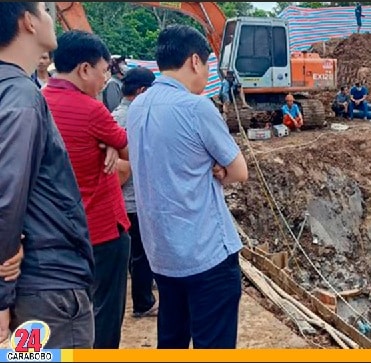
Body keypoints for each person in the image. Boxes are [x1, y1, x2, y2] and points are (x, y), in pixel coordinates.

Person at [127, 24, 249, 349]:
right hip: (205, 253)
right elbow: (239, 170)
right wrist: (218, 168)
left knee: (172, 340)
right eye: (208, 64)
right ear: (195, 61)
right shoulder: (196, 107)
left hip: (163, 254)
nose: (207, 73)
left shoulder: (137, 107)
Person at [0, 2, 94, 348]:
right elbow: (6, 197)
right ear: (27, 23)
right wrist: (2, 297)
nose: (50, 15)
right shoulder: (22, 98)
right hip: (45, 288)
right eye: (43, 9)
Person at [43, 30, 131, 349]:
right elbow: (128, 149)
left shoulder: (39, 99)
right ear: (84, 69)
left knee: (71, 316)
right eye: (104, 70)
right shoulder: (92, 110)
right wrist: (111, 143)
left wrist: (108, 143)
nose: (106, 78)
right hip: (103, 231)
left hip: (58, 235)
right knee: (105, 314)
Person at [111, 67, 159, 319]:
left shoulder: (113, 115)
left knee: (133, 251)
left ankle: (144, 287)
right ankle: (143, 303)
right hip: (136, 198)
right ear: (141, 91)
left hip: (120, 200)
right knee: (143, 252)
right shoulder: (136, 118)